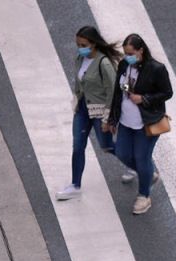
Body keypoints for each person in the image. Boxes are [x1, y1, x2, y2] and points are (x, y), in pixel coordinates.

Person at [106, 34, 172, 215]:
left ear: (141, 50)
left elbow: (167, 93)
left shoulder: (156, 69)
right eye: (125, 53)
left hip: (146, 122)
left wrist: (144, 99)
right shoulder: (124, 65)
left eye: (130, 53)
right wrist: (112, 117)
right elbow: (117, 93)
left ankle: (144, 196)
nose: (127, 57)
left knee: (142, 158)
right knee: (122, 152)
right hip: (126, 121)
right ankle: (148, 175)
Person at [57, 26, 120, 201]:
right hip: (83, 110)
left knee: (107, 146)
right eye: (78, 44)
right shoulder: (80, 58)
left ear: (94, 44)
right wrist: (76, 99)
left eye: (83, 44)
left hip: (100, 111)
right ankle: (75, 185)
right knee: (78, 146)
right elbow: (80, 82)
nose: (80, 48)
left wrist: (109, 117)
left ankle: (139, 164)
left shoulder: (103, 63)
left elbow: (113, 91)